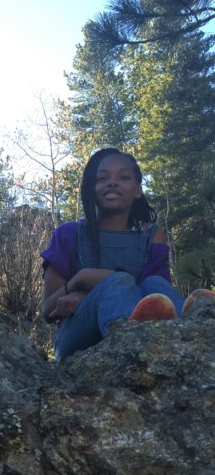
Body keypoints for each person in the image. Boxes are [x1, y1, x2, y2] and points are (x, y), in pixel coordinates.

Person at [41, 147, 212, 361]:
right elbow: (47, 312)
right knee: (118, 283)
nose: (112, 183)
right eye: (102, 178)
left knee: (156, 284)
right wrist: (79, 280)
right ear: (91, 188)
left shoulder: (152, 235)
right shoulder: (68, 234)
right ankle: (132, 342)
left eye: (123, 177)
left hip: (147, 329)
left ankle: (196, 326)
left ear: (137, 190)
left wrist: (95, 282)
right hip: (76, 338)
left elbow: (156, 299)